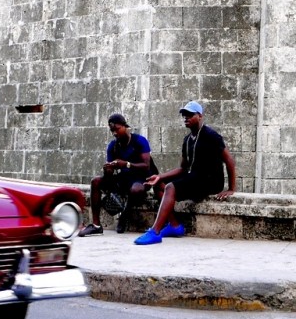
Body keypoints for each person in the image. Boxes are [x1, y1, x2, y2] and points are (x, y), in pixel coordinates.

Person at [134, 101, 236, 245]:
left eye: (189, 115)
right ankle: (175, 226)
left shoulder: (211, 135)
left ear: (199, 116)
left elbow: (229, 160)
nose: (185, 118)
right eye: (184, 116)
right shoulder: (187, 140)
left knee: (171, 188)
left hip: (210, 181)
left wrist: (231, 189)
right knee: (160, 185)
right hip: (194, 178)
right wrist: (159, 177)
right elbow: (182, 168)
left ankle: (155, 232)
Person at [80, 113, 157, 236]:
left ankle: (124, 215)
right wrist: (108, 170)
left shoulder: (139, 141)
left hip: (141, 178)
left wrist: (126, 164)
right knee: (96, 182)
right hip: (124, 178)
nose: (115, 133)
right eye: (112, 131)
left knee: (136, 189)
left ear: (125, 126)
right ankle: (96, 225)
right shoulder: (113, 146)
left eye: (117, 129)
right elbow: (110, 173)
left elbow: (146, 166)